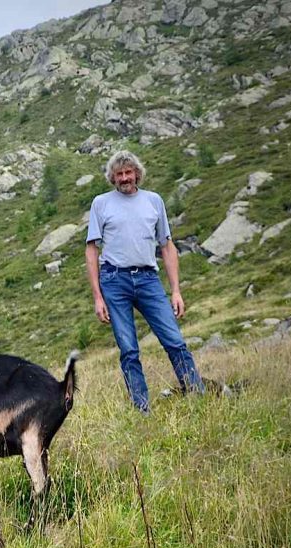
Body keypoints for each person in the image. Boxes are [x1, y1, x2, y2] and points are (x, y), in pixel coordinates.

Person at [84, 150, 203, 413]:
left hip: (149, 279)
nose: (125, 178)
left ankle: (197, 395)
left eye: (129, 172)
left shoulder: (154, 201)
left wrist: (176, 291)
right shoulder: (101, 203)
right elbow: (92, 249)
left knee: (174, 340)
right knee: (128, 349)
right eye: (119, 174)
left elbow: (167, 246)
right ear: (112, 178)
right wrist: (97, 296)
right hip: (114, 280)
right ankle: (142, 408)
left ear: (137, 173)